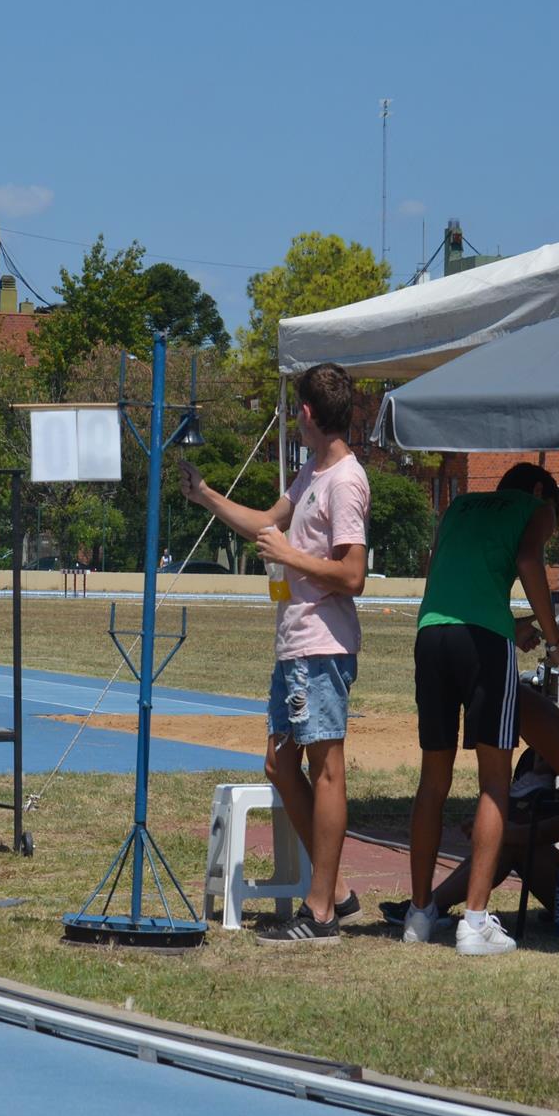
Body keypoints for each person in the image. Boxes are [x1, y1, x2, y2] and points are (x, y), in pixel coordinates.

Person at [180, 362, 370, 944]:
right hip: (294, 644)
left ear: (307, 414)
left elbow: (353, 574)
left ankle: (320, 911)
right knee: (279, 764)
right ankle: (334, 889)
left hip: (322, 645)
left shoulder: (345, 481)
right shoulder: (313, 471)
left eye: (295, 410)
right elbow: (266, 523)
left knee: (326, 768)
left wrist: (291, 557)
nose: (293, 418)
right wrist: (208, 495)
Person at [407, 462, 559, 954]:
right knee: (493, 782)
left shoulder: (459, 506)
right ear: (538, 491)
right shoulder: (536, 508)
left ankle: (419, 914)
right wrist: (556, 644)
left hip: (432, 633)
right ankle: (475, 922)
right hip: (483, 645)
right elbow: (529, 560)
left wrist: (510, 629)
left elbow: (448, 580)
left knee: (433, 781)